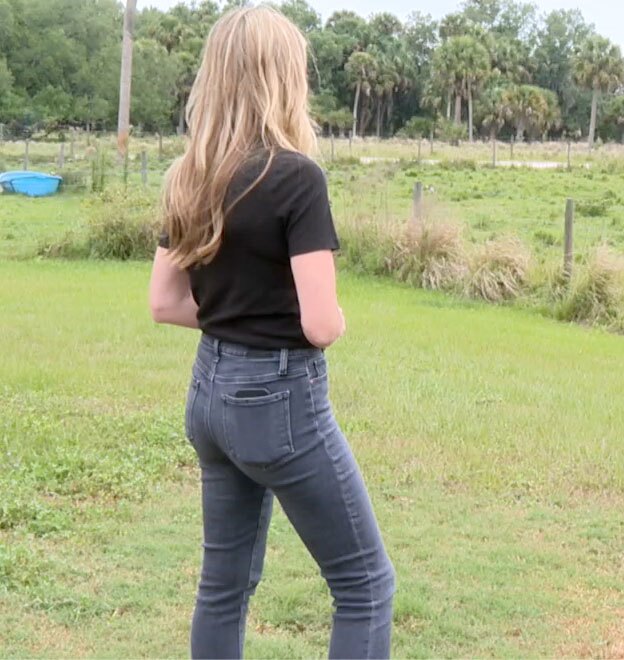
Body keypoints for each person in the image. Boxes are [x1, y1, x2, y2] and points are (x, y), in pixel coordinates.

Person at [147, 7, 395, 657]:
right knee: (364, 583)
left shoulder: (187, 177)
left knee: (222, 588)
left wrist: (237, 316)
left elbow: (164, 303)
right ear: (284, 77)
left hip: (208, 397)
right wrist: (334, 319)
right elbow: (320, 324)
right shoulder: (296, 177)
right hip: (279, 402)